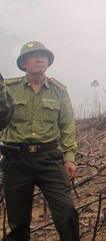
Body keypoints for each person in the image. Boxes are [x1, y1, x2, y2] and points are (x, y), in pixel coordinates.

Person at [1, 41, 79, 240]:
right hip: (16, 160)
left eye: (43, 56)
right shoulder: (9, 89)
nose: (39, 59)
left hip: (49, 159)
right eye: (34, 56)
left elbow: (67, 126)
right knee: (18, 222)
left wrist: (69, 157)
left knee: (67, 211)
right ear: (24, 64)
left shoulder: (58, 91)